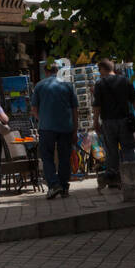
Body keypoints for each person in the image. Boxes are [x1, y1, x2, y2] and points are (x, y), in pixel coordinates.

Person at [32, 68, 80, 199]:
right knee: (65, 157)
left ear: (45, 72)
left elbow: (34, 109)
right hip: (66, 127)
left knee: (47, 156)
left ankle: (53, 185)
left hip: (46, 128)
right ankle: (64, 186)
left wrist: (42, 119)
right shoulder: (68, 85)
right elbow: (75, 110)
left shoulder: (40, 86)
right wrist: (75, 130)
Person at [93, 59, 135, 190]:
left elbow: (97, 106)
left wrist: (95, 122)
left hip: (108, 122)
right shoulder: (125, 81)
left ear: (102, 69)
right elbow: (134, 101)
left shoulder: (99, 84)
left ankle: (114, 180)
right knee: (128, 149)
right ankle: (133, 177)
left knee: (111, 151)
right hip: (124, 120)